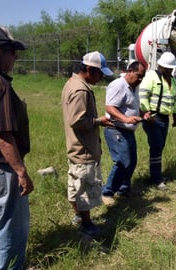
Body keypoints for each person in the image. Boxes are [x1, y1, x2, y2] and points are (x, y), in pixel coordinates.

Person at [0, 24, 34, 270]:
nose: (16, 57)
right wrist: (21, 172)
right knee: (11, 226)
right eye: (13, 52)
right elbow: (2, 135)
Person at [61, 51, 114, 236]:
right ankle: (86, 224)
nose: (101, 79)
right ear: (90, 70)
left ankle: (78, 216)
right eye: (100, 74)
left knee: (76, 186)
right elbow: (77, 121)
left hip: (76, 148)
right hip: (83, 150)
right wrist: (98, 121)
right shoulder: (80, 90)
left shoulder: (72, 83)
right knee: (83, 189)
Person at [102, 61, 146, 205]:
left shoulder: (133, 87)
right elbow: (110, 108)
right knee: (122, 161)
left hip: (127, 130)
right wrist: (126, 118)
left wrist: (143, 114)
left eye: (142, 77)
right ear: (129, 71)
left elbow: (133, 106)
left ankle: (123, 190)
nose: (140, 79)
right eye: (138, 76)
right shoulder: (118, 85)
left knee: (131, 161)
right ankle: (107, 192)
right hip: (115, 129)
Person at [139, 52, 176, 190]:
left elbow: (173, 99)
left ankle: (156, 175)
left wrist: (175, 114)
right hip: (153, 118)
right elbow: (143, 94)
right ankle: (156, 179)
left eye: (170, 68)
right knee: (156, 146)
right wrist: (145, 113)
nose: (168, 70)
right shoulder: (151, 76)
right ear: (160, 66)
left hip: (165, 118)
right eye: (165, 68)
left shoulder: (173, 80)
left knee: (159, 147)